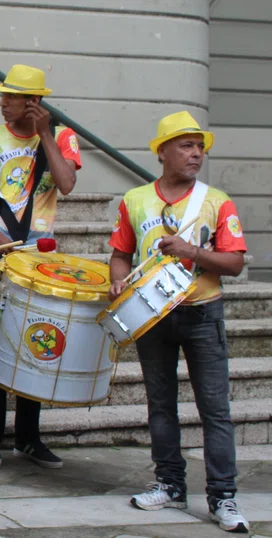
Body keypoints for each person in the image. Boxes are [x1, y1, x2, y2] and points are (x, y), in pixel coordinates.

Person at [108, 113, 250, 534]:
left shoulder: (216, 200)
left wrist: (193, 252)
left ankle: (223, 496)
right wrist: (117, 277)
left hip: (203, 312)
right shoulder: (135, 200)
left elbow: (236, 263)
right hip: (153, 314)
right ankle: (170, 483)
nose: (196, 154)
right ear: (163, 152)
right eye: (186, 146)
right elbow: (121, 251)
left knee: (215, 409)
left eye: (199, 146)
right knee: (160, 405)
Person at [0, 65, 81, 472]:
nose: (2, 102)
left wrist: (45, 133)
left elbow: (65, 184)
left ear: (33, 104)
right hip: (1, 256)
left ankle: (29, 437)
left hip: (41, 263)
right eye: (3, 96)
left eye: (11, 97)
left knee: (36, 342)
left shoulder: (62, 137)